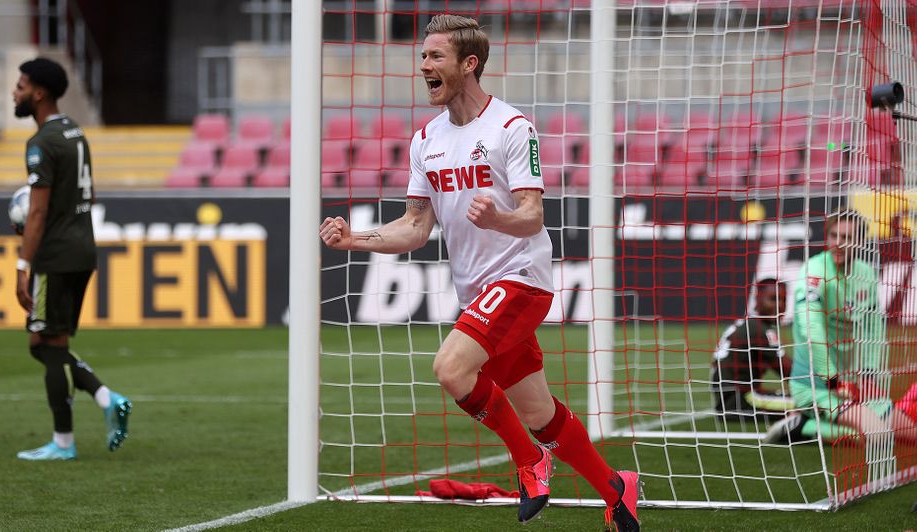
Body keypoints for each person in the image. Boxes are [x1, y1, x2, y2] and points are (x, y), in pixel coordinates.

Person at [320, 14, 640, 530]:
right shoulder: (426, 139)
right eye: (422, 56)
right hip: (478, 292)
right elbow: (415, 226)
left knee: (450, 368)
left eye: (435, 56)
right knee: (539, 414)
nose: (424, 65)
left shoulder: (513, 128)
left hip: (520, 278)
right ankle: (615, 487)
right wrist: (353, 238)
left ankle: (530, 463)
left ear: (469, 64)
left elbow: (533, 215)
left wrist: (500, 217)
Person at [12, 57, 132, 461]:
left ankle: (64, 442)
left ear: (38, 93)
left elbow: (39, 212)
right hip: (82, 246)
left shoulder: (42, 142)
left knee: (49, 343)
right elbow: (89, 195)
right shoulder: (76, 132)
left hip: (57, 255)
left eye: (22, 84)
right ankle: (105, 397)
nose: (16, 91)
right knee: (41, 342)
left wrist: (22, 266)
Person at [766, 209, 917, 445]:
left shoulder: (865, 273)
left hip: (852, 383)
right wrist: (833, 379)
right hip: (816, 384)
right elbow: (811, 330)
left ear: (860, 242)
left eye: (847, 238)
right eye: (834, 235)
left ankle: (811, 422)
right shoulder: (814, 271)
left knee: (910, 435)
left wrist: (868, 372)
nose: (838, 243)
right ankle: (804, 426)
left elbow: (872, 326)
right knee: (878, 438)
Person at [710, 278, 794, 421]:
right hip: (741, 402)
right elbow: (789, 372)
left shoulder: (747, 323)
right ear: (757, 298)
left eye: (784, 300)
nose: (780, 305)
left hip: (730, 400)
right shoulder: (759, 329)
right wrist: (829, 385)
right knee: (810, 403)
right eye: (773, 299)